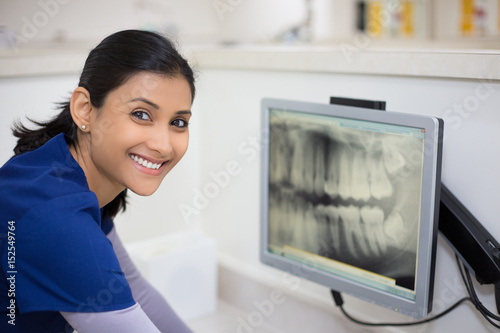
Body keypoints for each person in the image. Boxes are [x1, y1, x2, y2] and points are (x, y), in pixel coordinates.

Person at [0, 30, 196, 332]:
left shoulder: (62, 171)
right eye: (141, 114)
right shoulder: (56, 217)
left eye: (178, 122)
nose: (164, 145)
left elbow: (136, 292)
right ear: (84, 110)